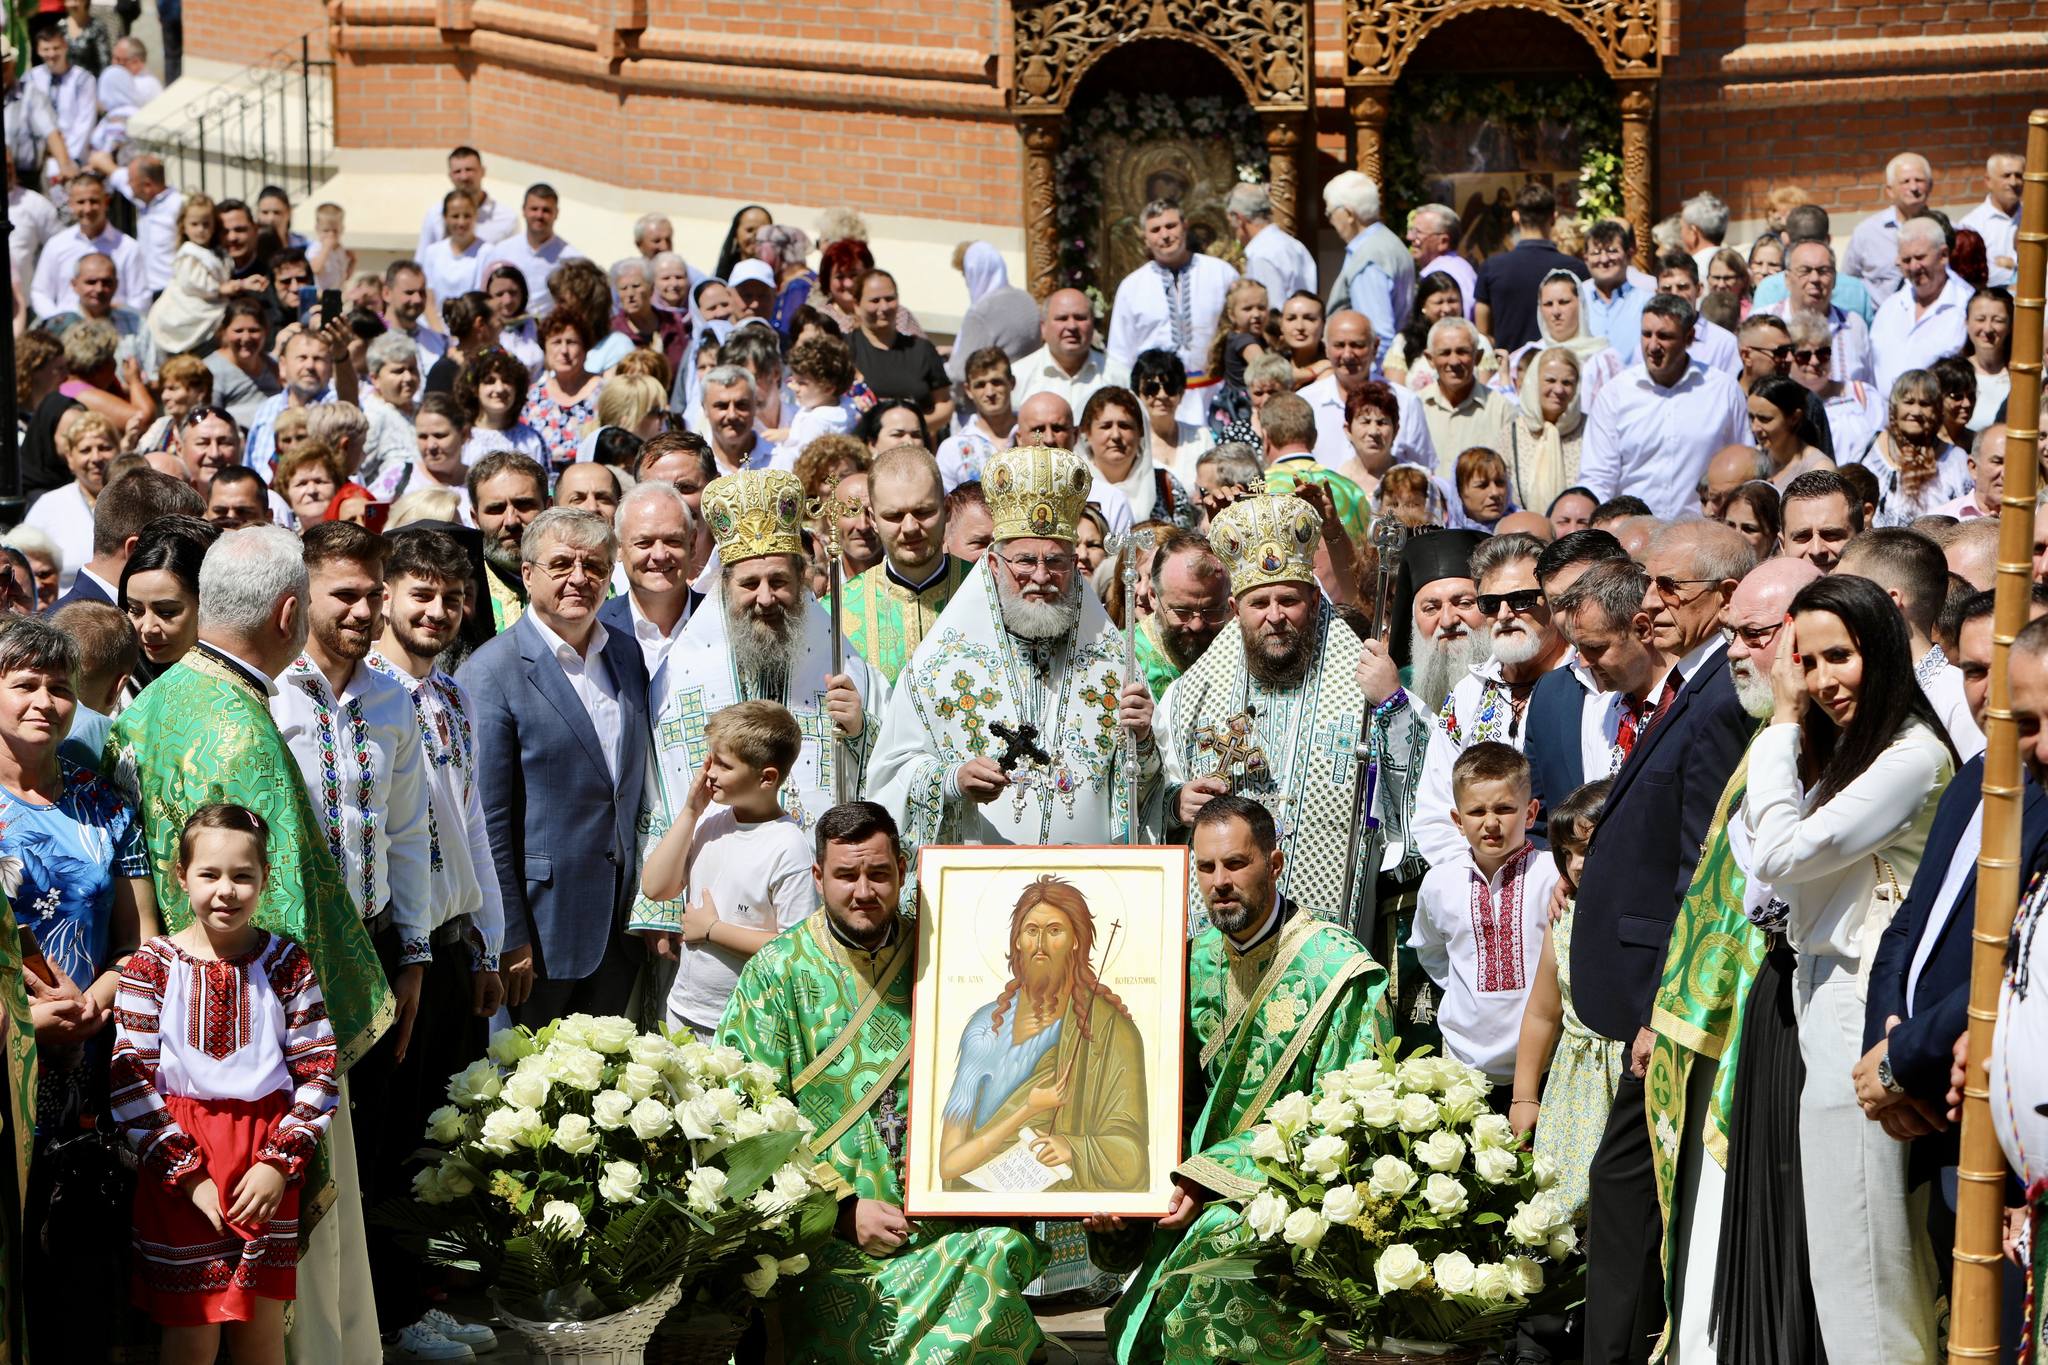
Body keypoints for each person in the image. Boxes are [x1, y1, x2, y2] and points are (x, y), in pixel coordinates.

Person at [107, 525, 392, 1365]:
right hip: (259, 1079)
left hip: (165, 1039)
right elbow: (286, 927)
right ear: (289, 611)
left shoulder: (155, 698)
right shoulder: (243, 729)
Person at [716, 800, 1044, 1360]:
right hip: (828, 1235)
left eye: (879, 873)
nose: (863, 891)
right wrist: (842, 1209)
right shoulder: (776, 973)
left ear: (904, 870)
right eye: (846, 875)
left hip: (944, 1223)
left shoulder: (947, 955)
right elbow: (746, 1118)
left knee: (993, 1257)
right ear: (818, 877)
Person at [1091, 795, 1389, 1364]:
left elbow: (1346, 1122)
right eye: (1205, 868)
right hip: (1187, 1191)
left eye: (1236, 864)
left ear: (1274, 864)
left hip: (1292, 1197)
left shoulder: (1339, 972)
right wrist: (1123, 1186)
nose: (1219, 882)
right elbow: (1156, 1098)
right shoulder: (1185, 962)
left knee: (1214, 1249)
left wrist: (1213, 1178)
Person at [1744, 572, 1955, 1364]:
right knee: (1844, 1251)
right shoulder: (1861, 751)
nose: (1824, 679)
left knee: (1866, 1263)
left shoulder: (1912, 753)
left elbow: (1779, 855)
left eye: (1843, 655)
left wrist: (1779, 723)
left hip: (1862, 1003)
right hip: (1824, 994)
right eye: (1809, 659)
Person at [1556, 535, 1753, 1365]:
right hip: (1651, 998)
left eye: (1671, 585)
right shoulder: (1688, 686)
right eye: (1649, 584)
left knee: (1626, 1186)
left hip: (1668, 1002)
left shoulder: (1718, 698)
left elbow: (1701, 870)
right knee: (1627, 1186)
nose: (1652, 602)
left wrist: (1656, 1011)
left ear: (1724, 593)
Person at [1636, 554, 1824, 1365]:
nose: (1735, 650)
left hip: (1776, 1019)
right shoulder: (1763, 737)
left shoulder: (1808, 741)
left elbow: (1767, 883)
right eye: (1734, 632)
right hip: (1726, 1014)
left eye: (1753, 633)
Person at [634, 468, 876, 1006]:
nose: (765, 598)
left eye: (779, 581)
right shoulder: (682, 674)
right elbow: (660, 783)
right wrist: (659, 910)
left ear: (802, 581)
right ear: (725, 586)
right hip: (712, 911)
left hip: (814, 894)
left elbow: (887, 767)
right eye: (749, 583)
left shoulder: (845, 662)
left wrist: (862, 729)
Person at [110, 803, 337, 1359]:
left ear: (265, 880)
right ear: (180, 876)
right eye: (209, 874)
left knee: (261, 1331)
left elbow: (319, 1070)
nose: (226, 891)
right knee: (191, 1329)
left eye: (243, 876)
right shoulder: (150, 966)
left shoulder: (287, 963)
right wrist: (190, 1178)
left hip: (264, 1159)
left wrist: (277, 1165)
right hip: (180, 1162)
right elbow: (129, 1080)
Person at [868, 443, 1160, 852]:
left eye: (1056, 562)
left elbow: (1147, 791)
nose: (1041, 576)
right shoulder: (940, 666)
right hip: (977, 883)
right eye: (1024, 561)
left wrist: (1143, 739)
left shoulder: (1111, 663)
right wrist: (952, 780)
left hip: (1089, 887)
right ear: (993, 565)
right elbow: (890, 775)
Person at [1161, 491, 1410, 929]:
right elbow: (1149, 792)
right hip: (1218, 935)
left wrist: (1393, 706)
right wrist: (1174, 801)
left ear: (1314, 602)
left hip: (1325, 936)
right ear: (1236, 610)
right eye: (1259, 603)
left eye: (1289, 600)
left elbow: (1418, 797)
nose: (1275, 616)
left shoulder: (1366, 685)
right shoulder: (1188, 698)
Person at [457, 508, 649, 1024]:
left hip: (621, 926)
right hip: (540, 935)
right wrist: (508, 936)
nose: (579, 579)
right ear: (526, 573)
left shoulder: (626, 656)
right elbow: (489, 821)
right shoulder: (493, 671)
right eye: (561, 564)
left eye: (595, 566)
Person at [634, 698, 814, 1042]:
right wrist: (690, 811)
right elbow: (655, 887)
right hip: (684, 1011)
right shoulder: (709, 822)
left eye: (725, 766)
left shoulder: (787, 847)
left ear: (768, 777)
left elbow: (796, 949)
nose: (710, 773)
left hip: (744, 1022)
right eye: (711, 761)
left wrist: (713, 930)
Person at [1410, 531, 1570, 866]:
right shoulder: (1469, 694)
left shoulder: (1589, 684)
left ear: (1553, 599)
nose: (1505, 613)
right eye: (1490, 604)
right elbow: (1436, 812)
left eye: (1523, 599)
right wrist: (1477, 883)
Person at [1413, 740, 1561, 1084]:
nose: (1491, 823)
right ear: (1458, 820)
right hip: (1461, 1065)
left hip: (1546, 1063)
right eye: (1477, 812)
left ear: (1530, 812)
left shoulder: (1553, 875)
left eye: (1505, 809)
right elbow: (1431, 950)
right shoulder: (1439, 884)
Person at [1509, 777, 1622, 1223]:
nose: (1575, 866)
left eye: (1587, 851)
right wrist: (1523, 1097)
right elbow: (1542, 1012)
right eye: (1566, 854)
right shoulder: (1565, 916)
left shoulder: (1648, 918)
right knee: (1560, 1207)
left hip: (1625, 1079)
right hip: (1575, 1087)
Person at [1580, 294, 1751, 521]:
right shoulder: (1614, 394)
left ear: (1689, 337)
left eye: (1664, 336)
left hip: (1701, 536)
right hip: (1630, 538)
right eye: (1646, 334)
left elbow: (1744, 466)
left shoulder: (1723, 391)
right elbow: (1598, 477)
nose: (1653, 345)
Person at [838, 445, 971, 686]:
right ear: (873, 520)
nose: (910, 527)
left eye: (923, 512)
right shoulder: (838, 611)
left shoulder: (986, 591)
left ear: (948, 509)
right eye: (894, 516)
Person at [1107, 201, 1239, 424]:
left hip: (1214, 397)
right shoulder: (1132, 287)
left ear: (1185, 226)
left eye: (1171, 226)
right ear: (1145, 237)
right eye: (1156, 230)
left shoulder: (1221, 274)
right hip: (1157, 402)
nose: (1165, 235)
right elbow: (1119, 356)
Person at [1302, 310, 1435, 472]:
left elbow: (1423, 471)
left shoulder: (1406, 402)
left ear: (1375, 347)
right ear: (1326, 349)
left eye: (1357, 345)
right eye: (1339, 345)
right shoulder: (1305, 402)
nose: (1348, 355)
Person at [1474, 182, 1589, 352]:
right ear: (1554, 218)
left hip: (1510, 372)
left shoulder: (1491, 268)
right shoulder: (1575, 269)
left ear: (1516, 217)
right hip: (1561, 371)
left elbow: (1483, 336)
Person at [1870, 216, 1971, 396]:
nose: (1914, 267)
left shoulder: (1965, 306)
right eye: (1906, 260)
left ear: (1943, 255)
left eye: (1920, 257)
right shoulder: (1890, 307)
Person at [1321, 171, 1413, 368]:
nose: (1330, 221)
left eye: (1330, 213)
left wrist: (1369, 385)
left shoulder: (1369, 258)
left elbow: (1378, 335)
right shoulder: (1388, 243)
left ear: (1348, 214)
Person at [1855, 369, 1969, 527]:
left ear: (1937, 410)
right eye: (1908, 402)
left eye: (1925, 404)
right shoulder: (1866, 446)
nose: (1916, 412)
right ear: (1894, 407)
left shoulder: (1955, 459)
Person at [1759, 239, 1876, 384]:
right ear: (1787, 279)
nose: (1815, 279)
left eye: (1823, 271)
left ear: (1834, 279)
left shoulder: (1854, 325)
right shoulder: (1762, 324)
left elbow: (1869, 385)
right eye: (1805, 271)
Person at [1130, 527, 1229, 698]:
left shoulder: (1237, 650)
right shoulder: (1124, 654)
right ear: (1153, 597)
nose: (1197, 625)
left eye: (1211, 610)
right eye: (1182, 611)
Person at [848, 269, 952, 430]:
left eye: (890, 299)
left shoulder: (922, 349)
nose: (883, 306)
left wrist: (912, 428)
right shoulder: (845, 349)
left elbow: (944, 404)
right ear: (856, 305)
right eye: (874, 300)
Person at [23, 407, 115, 588]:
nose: (96, 457)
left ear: (119, 451)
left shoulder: (133, 501)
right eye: (85, 450)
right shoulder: (49, 505)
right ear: (70, 458)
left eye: (104, 447)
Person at [1417, 316, 1512, 480]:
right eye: (1445, 353)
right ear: (1430, 359)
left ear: (1478, 357)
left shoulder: (1501, 409)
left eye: (1462, 352)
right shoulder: (1416, 407)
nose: (1454, 361)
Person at [467, 451, 547, 631]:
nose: (511, 521)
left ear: (548, 508)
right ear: (475, 518)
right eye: (496, 509)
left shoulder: (579, 578)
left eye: (524, 504)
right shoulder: (460, 591)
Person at [475, 183, 582, 316]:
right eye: (534, 209)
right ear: (524, 210)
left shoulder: (571, 259)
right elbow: (483, 294)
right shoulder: (502, 251)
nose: (539, 215)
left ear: (556, 213)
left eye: (546, 210)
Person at [1842, 152, 1934, 302]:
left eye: (1919, 180)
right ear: (1890, 190)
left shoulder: (1945, 230)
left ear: (1930, 186)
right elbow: (1848, 282)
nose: (1913, 187)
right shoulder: (1867, 232)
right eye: (1905, 181)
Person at [944, 241, 1038, 386]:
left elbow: (959, 373)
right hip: (1028, 385)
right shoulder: (1027, 299)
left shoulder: (981, 312)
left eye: (965, 275)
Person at [1508, 347, 1588, 515]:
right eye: (1550, 380)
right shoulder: (1512, 432)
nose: (1559, 390)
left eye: (1567, 383)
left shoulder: (1590, 429)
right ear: (1534, 382)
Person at [520, 310, 602, 471]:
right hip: (546, 490)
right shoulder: (531, 397)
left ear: (585, 349)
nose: (564, 350)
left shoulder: (605, 392)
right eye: (556, 342)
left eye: (571, 342)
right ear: (545, 348)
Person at [1011, 287, 1109, 415]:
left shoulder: (1116, 375)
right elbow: (1021, 429)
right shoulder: (1018, 378)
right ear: (1043, 327)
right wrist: (1041, 434)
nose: (1072, 326)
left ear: (1093, 324)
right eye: (1062, 318)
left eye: (1080, 318)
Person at [936, 346, 1018, 489]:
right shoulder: (951, 449)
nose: (990, 392)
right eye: (980, 385)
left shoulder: (1037, 432)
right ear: (968, 390)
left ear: (1011, 383)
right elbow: (946, 505)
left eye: (996, 382)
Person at [1229, 181, 1315, 307]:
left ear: (1240, 219)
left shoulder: (1261, 254)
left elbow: (1271, 307)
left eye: (1231, 224)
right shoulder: (1295, 245)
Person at [1748, 373, 1832, 485]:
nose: (1755, 428)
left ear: (1794, 418)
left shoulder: (1818, 471)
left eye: (1765, 419)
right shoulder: (1752, 460)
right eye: (1751, 418)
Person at [1959, 152, 2022, 288]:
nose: (2013, 182)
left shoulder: (2037, 220)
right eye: (2006, 176)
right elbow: (1971, 271)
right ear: (1988, 181)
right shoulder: (1971, 225)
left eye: (2019, 176)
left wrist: (2013, 264)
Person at [1405, 202, 1477, 316]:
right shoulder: (1461, 268)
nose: (1409, 237)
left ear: (1443, 242)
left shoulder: (1444, 276)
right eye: (1411, 231)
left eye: (1418, 233)